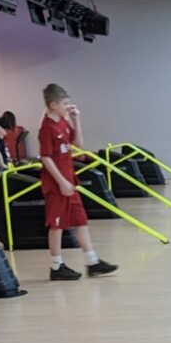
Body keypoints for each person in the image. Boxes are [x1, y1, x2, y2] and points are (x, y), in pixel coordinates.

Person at [39, 83, 117, 282]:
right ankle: (56, 266)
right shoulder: (47, 128)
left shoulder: (63, 122)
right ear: (53, 104)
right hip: (57, 185)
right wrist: (61, 182)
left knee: (81, 220)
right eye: (65, 103)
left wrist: (76, 119)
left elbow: (78, 144)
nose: (69, 106)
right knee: (56, 225)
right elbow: (45, 157)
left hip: (70, 181)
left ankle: (92, 262)